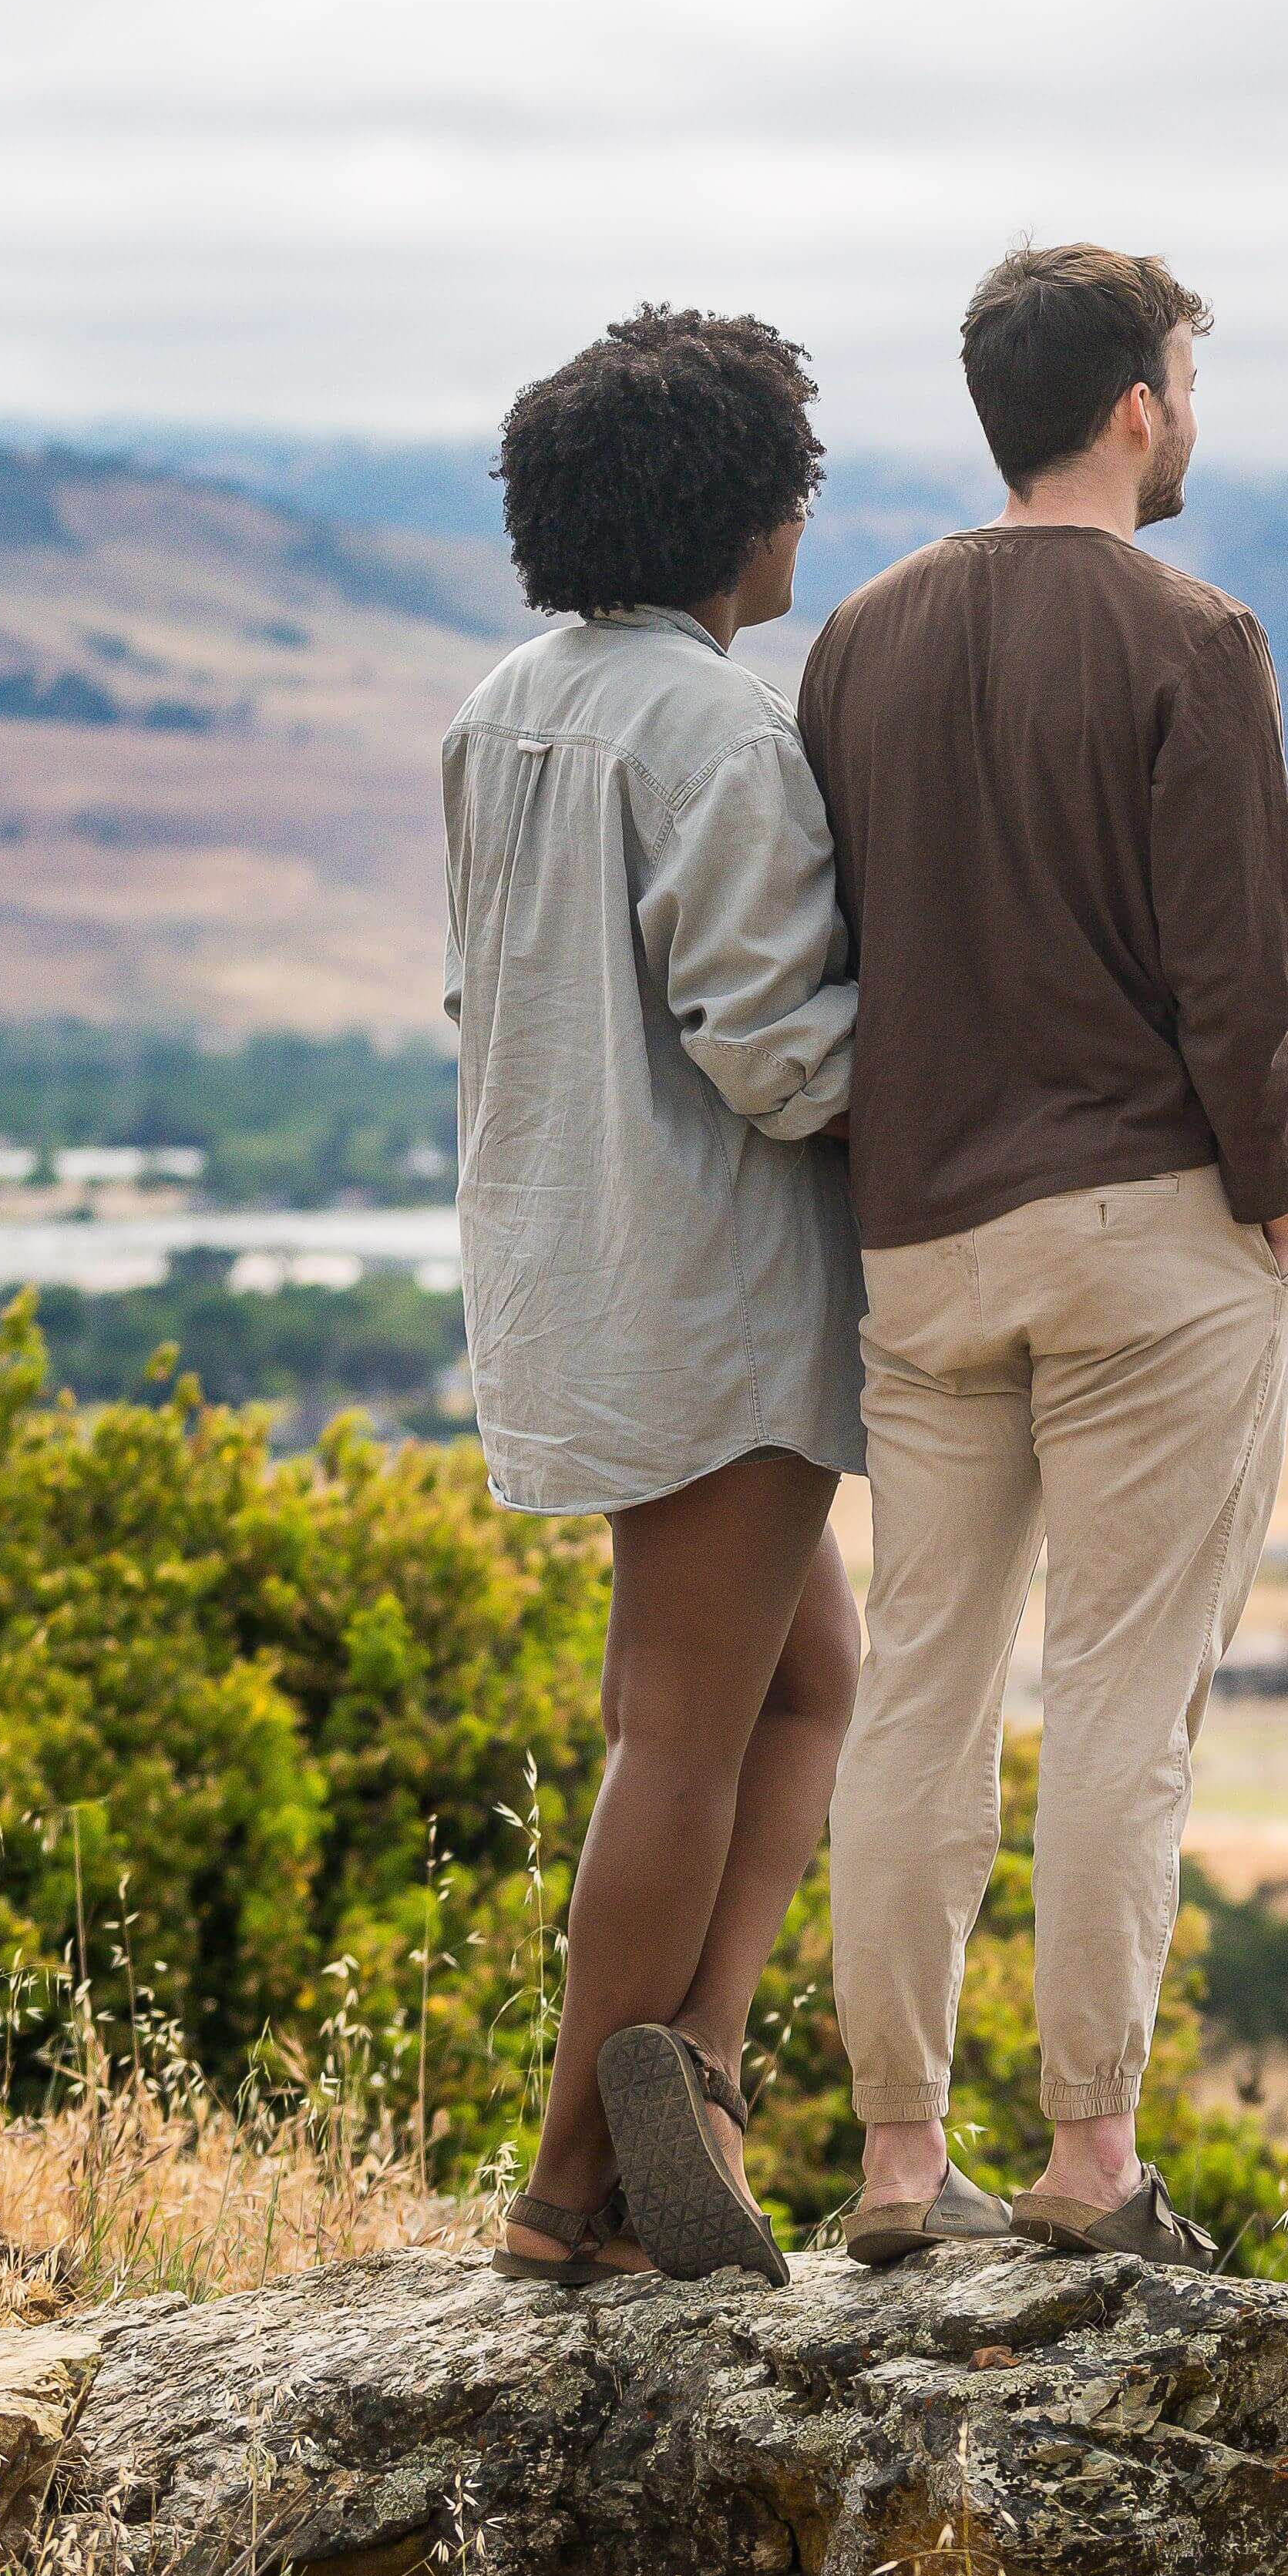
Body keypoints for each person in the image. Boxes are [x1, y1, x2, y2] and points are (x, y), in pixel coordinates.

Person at [801, 243, 1288, 2271]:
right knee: (1121, 1689)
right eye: (1188, 374)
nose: (1193, 410)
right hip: (1143, 1235)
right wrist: (1271, 1189)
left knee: (918, 1683)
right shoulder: (1198, 637)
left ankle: (901, 2165)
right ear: (1133, 406)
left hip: (920, 1239)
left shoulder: (857, 640)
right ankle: (1090, 2158)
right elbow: (1243, 970)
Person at [442, 304, 880, 2289]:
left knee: (807, 1680)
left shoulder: (501, 704)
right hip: (713, 1286)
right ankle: (566, 2185)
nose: (807, 515)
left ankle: (687, 2071)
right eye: (792, 482)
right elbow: (779, 1049)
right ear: (734, 516)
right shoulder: (717, 726)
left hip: (568, 1262)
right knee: (686, 1726)